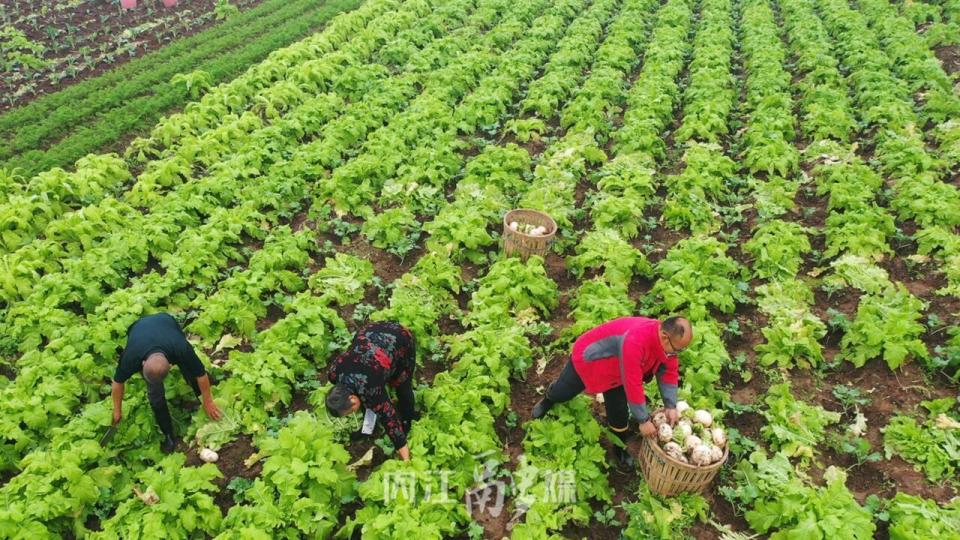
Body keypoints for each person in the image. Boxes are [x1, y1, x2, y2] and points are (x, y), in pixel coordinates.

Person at [531, 316, 692, 467]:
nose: (676, 354)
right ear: (665, 336)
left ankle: (619, 447)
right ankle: (549, 398)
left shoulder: (666, 347)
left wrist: (670, 405)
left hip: (618, 372)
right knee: (563, 392)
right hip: (592, 359)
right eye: (677, 349)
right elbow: (633, 383)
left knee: (619, 412)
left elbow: (669, 371)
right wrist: (643, 420)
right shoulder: (636, 340)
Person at [111, 313, 222, 453]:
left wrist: (208, 401)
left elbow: (200, 374)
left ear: (170, 365)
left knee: (191, 370)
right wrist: (117, 410)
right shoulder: (131, 357)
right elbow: (117, 383)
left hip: (167, 322)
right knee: (155, 396)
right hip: (138, 328)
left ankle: (200, 397)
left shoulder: (180, 348)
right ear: (142, 364)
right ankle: (168, 433)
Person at [326, 321, 418, 461]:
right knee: (369, 401)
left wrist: (405, 458)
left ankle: (407, 419)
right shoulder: (334, 374)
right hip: (371, 332)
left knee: (402, 386)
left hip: (400, 340)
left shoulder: (369, 387)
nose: (353, 413)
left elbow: (389, 417)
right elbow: (365, 400)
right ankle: (369, 428)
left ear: (352, 398)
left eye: (351, 411)